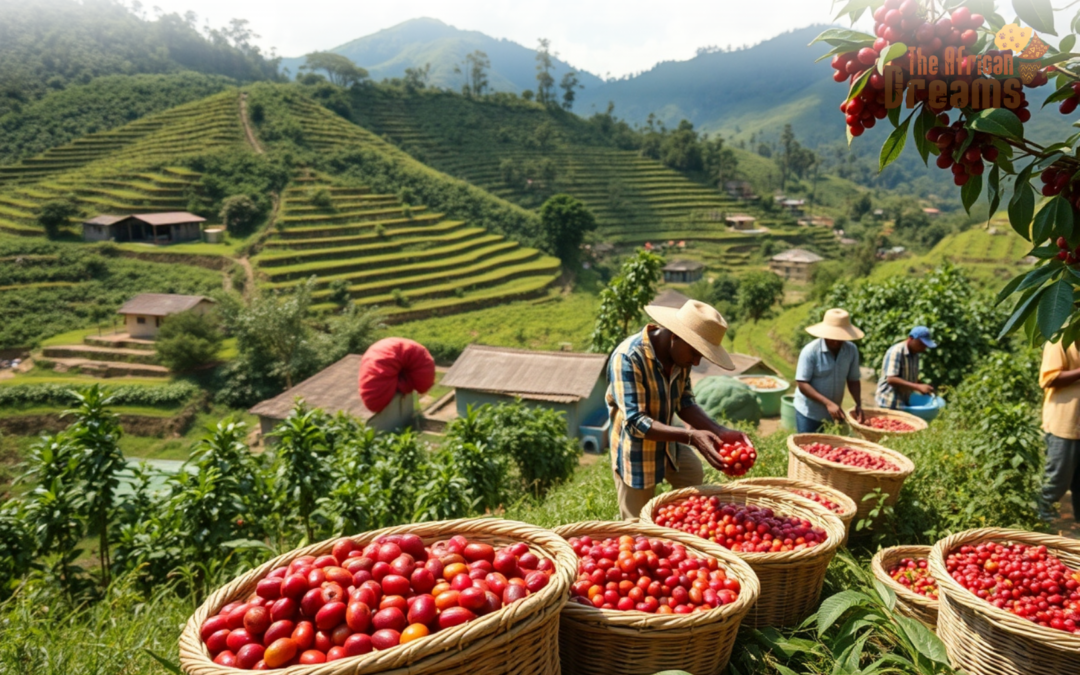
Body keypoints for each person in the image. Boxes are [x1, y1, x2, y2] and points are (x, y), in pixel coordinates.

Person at [606, 299, 753, 521]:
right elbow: (636, 422)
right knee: (637, 526)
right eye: (695, 353)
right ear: (675, 335)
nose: (695, 362)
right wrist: (692, 437)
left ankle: (679, 527)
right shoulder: (628, 357)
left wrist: (719, 431)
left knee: (692, 475)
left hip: (669, 440)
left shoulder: (680, 358)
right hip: (636, 450)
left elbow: (684, 402)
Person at [794, 308, 865, 433]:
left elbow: (853, 379)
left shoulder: (851, 350)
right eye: (832, 336)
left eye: (840, 337)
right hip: (809, 413)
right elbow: (802, 384)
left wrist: (858, 404)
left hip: (833, 413)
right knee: (807, 447)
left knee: (828, 448)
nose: (836, 341)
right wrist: (828, 403)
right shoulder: (810, 351)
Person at [1038, 339, 1080, 522]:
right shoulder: (1060, 340)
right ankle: (1039, 524)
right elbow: (1048, 378)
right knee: (1057, 481)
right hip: (1065, 422)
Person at [875, 327, 936, 409]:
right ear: (911, 338)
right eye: (921, 344)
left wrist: (921, 385)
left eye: (925, 345)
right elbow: (891, 379)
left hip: (902, 403)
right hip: (888, 402)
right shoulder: (896, 351)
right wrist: (917, 387)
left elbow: (909, 377)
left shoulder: (915, 354)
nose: (923, 348)